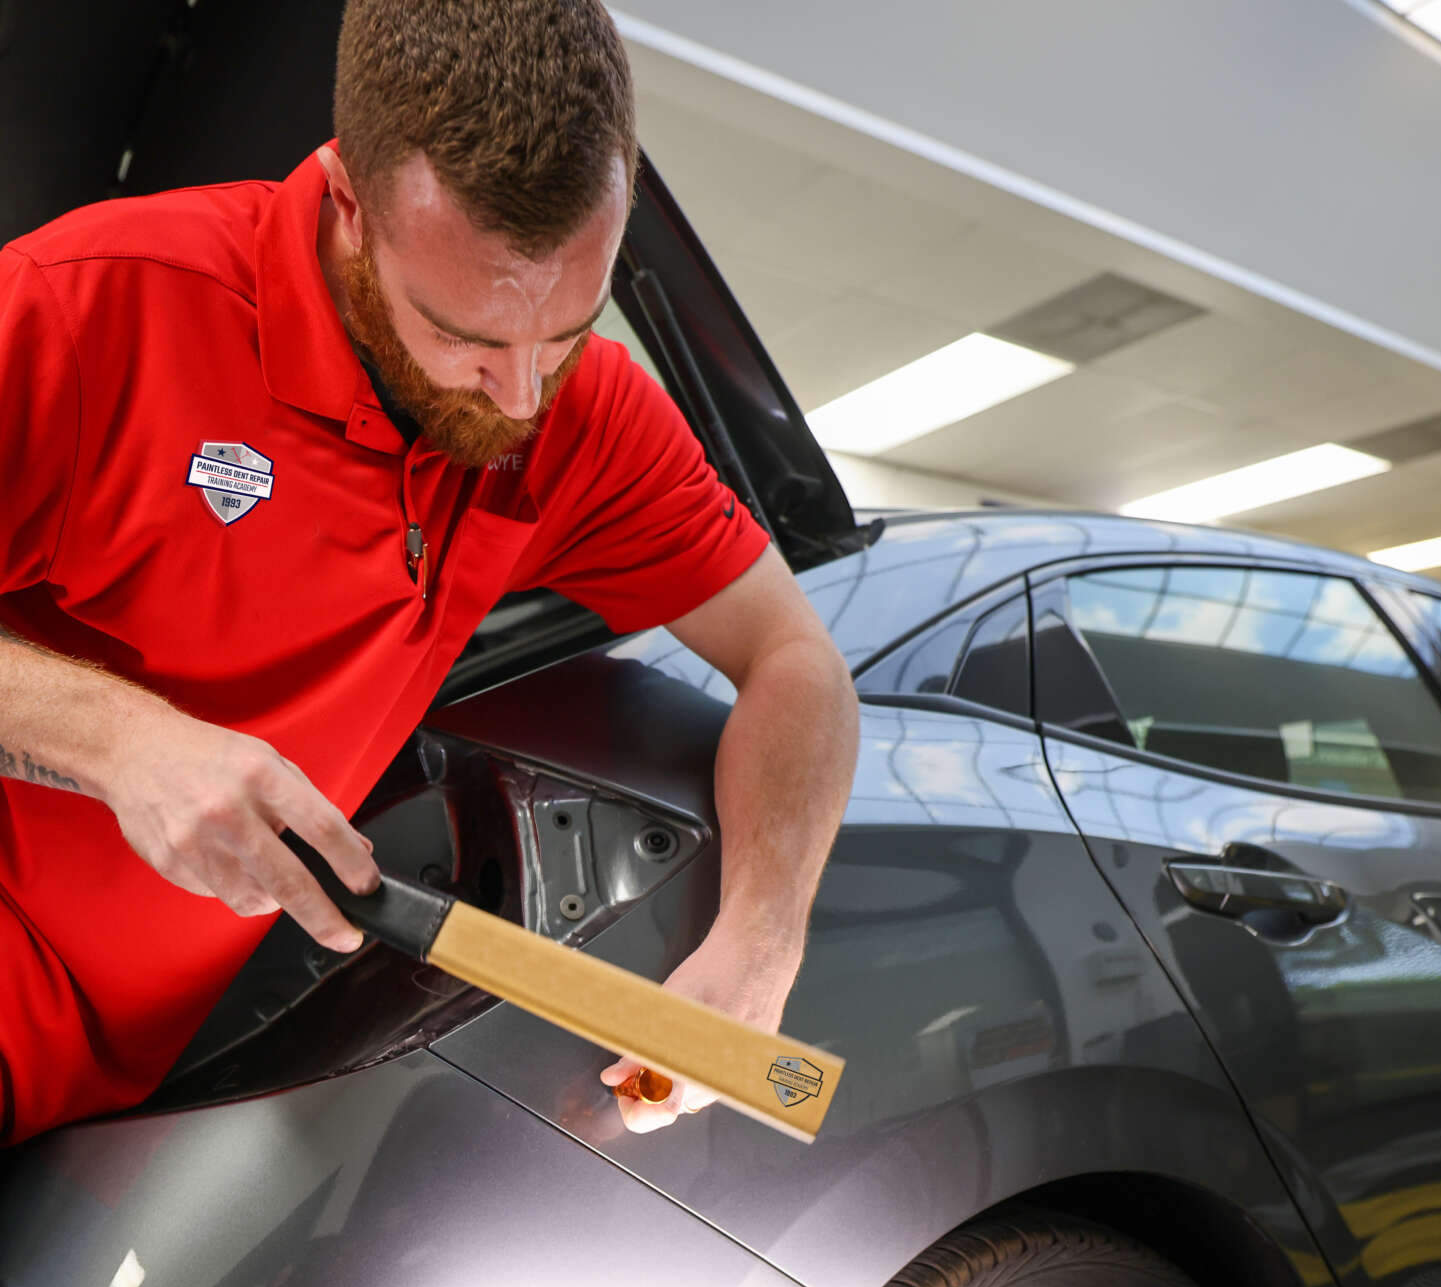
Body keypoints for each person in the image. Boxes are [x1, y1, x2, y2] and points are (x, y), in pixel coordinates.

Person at [0, 0, 859, 1143]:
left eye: (564, 333)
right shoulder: (95, 304)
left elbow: (798, 661)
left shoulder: (582, 423)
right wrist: (124, 743)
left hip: (93, 1094)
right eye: (467, 335)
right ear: (349, 201)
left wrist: (758, 947)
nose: (515, 399)